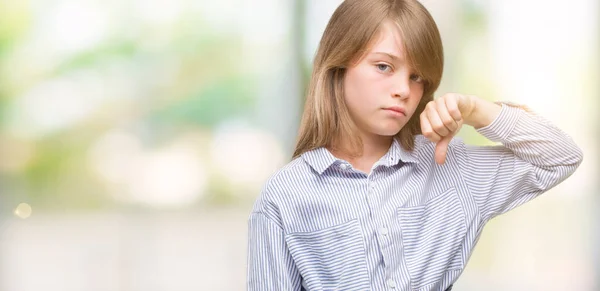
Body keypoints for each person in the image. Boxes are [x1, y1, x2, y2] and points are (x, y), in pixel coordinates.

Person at [246, 0, 584, 290]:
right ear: (339, 64)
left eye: (417, 77)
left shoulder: (453, 170)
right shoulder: (284, 197)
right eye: (383, 66)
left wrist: (475, 109)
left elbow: (561, 157)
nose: (404, 90)